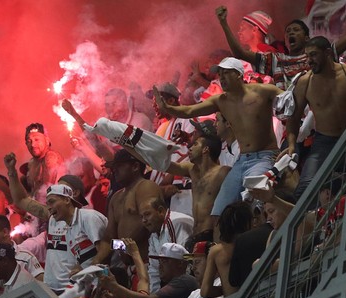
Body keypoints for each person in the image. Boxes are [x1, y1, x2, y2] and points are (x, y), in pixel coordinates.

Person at [153, 56, 282, 218]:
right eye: (219, 74)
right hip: (242, 160)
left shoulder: (263, 91)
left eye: (225, 73)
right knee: (219, 213)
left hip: (264, 156)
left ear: (238, 74)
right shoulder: (221, 101)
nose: (221, 78)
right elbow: (189, 111)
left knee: (255, 202)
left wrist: (290, 141)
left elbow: (292, 103)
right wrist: (167, 107)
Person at [5, 152, 109, 293]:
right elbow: (21, 200)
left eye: (60, 188)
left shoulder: (87, 217)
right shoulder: (54, 217)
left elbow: (110, 246)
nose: (54, 189)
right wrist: (11, 172)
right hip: (53, 291)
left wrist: (87, 269)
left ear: (72, 194)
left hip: (78, 290)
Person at [287, 36, 346, 199]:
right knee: (305, 190)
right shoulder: (305, 82)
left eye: (314, 55)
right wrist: (291, 144)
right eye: (307, 56)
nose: (309, 60)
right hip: (325, 142)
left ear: (328, 53)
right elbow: (293, 119)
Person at [216, 6, 346, 89]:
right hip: (292, 126)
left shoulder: (320, 54)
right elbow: (239, 53)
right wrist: (224, 24)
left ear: (307, 37)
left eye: (295, 30)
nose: (290, 34)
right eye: (288, 32)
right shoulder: (276, 61)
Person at [104, 243, 198, 298]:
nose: (160, 266)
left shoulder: (185, 281)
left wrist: (115, 287)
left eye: (164, 261)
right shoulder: (163, 289)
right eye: (159, 261)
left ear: (180, 264)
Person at [103, 149, 162, 264]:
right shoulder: (115, 198)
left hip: (149, 262)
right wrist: (96, 261)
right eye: (114, 167)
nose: (114, 170)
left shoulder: (146, 187)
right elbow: (109, 237)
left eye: (119, 166)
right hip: (128, 266)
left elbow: (150, 223)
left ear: (135, 166)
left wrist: (121, 246)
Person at [147, 83, 196, 217]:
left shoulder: (187, 117)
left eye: (157, 101)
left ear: (171, 101)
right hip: (167, 192)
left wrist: (168, 178)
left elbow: (190, 152)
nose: (154, 105)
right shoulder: (168, 125)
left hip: (182, 188)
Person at [151, 241, 222, 298]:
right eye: (193, 263)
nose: (193, 267)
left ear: (212, 261)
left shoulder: (221, 282)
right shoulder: (194, 294)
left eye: (198, 262)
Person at [141, 197, 194, 293]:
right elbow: (154, 270)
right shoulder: (153, 236)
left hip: (192, 279)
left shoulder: (176, 223)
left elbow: (186, 258)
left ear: (161, 211)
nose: (144, 220)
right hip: (176, 281)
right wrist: (154, 296)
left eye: (147, 214)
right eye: (142, 217)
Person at [201, 202, 254, 298]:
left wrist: (226, 289)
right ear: (247, 222)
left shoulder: (216, 251)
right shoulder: (253, 243)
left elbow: (205, 292)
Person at [24, 123, 65, 203]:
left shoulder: (50, 157)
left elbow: (48, 194)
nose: (33, 145)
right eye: (29, 141)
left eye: (37, 139)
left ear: (47, 140)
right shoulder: (32, 163)